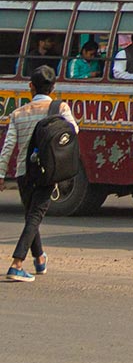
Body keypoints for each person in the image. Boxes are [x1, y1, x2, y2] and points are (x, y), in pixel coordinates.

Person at [0, 67, 77, 283]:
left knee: (31, 216)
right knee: (34, 217)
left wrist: (0, 174)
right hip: (47, 172)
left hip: (23, 173)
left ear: (31, 87)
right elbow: (73, 131)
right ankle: (16, 264)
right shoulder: (60, 108)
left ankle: (40, 259)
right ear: (53, 88)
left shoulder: (18, 113)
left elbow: (8, 147)